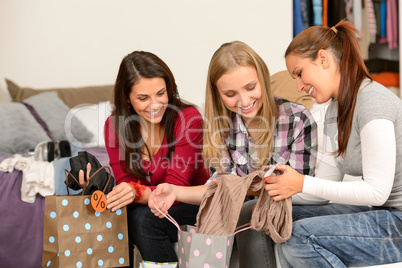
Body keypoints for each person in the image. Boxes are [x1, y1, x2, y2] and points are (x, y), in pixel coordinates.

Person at [149, 41, 320, 268]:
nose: (245, 101)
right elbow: (219, 188)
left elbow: (297, 189)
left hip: (289, 210)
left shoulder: (297, 119)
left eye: (250, 88)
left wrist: (239, 188)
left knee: (248, 211)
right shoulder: (220, 128)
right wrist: (175, 191)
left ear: (262, 78)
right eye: (231, 94)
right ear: (218, 94)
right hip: (240, 213)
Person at [264, 20, 402, 267]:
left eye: (299, 73)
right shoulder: (333, 111)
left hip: (398, 221)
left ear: (323, 59)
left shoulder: (372, 102)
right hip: (382, 214)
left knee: (298, 236)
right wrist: (276, 188)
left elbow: (377, 192)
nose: (299, 86)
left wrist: (301, 182)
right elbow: (324, 188)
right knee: (277, 218)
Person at [81, 51, 210, 265]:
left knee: (142, 220)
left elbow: (175, 190)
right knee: (120, 216)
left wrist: (135, 191)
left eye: (161, 93)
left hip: (191, 205)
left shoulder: (188, 119)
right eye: (143, 98)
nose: (155, 104)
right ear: (127, 98)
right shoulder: (114, 126)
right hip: (148, 209)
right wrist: (104, 191)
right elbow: (124, 182)